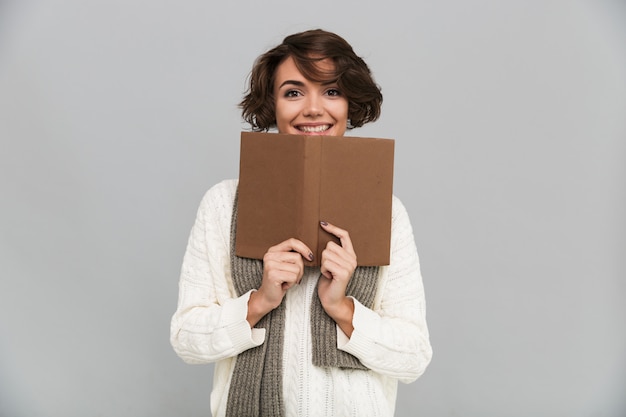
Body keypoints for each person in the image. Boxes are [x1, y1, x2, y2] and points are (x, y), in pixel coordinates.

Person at [170, 29, 432, 417]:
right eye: (293, 92)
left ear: (349, 104)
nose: (313, 109)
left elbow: (414, 357)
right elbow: (186, 340)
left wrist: (342, 307)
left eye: (331, 91)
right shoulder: (223, 204)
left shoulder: (387, 211)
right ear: (271, 104)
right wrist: (260, 301)